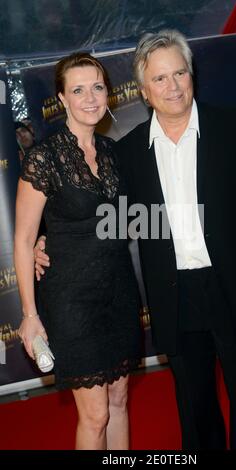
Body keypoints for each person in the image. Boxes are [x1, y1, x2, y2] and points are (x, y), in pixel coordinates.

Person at [34, 31, 236, 450]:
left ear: (192, 76)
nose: (172, 86)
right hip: (176, 298)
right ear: (143, 90)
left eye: (179, 73)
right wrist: (43, 241)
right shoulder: (128, 152)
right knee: (195, 407)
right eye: (160, 79)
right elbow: (103, 217)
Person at [15, 52, 141, 450]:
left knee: (120, 401)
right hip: (72, 300)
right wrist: (30, 316)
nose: (90, 98)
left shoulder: (114, 152)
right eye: (78, 90)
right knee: (96, 414)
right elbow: (22, 238)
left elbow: (130, 220)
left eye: (98, 87)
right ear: (63, 99)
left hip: (119, 291)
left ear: (109, 93)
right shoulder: (43, 158)